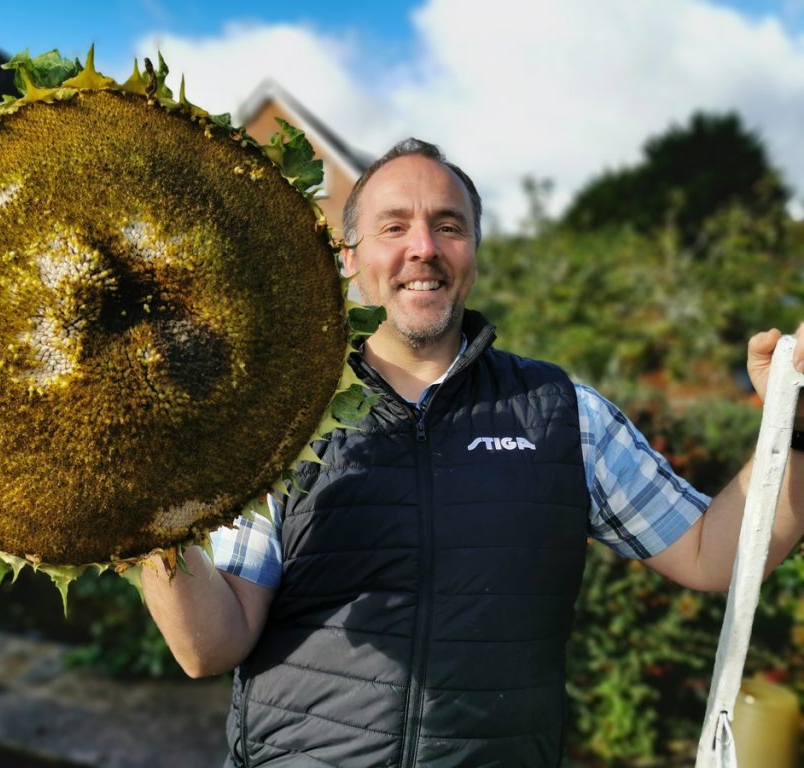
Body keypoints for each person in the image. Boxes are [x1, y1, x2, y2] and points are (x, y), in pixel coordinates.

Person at [141, 138, 804, 767]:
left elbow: (714, 555)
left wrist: (793, 427)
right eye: (393, 227)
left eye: (449, 226)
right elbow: (211, 646)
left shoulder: (563, 412)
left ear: (474, 254)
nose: (423, 248)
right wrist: (139, 499)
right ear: (348, 256)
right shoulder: (279, 417)